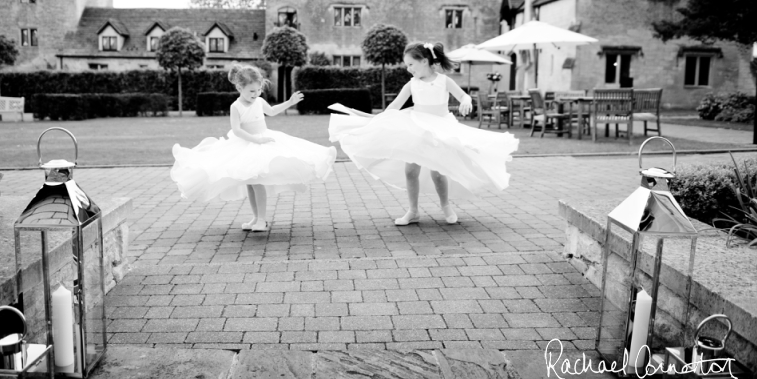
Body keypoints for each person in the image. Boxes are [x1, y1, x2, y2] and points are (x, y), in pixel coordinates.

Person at [329, 42, 519, 226]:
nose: (408, 69)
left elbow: (463, 95)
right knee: (410, 171)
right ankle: (413, 211)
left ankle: (446, 207)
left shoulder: (444, 81)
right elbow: (393, 107)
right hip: (417, 128)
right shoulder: (412, 84)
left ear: (424, 61)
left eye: (411, 64)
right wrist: (373, 118)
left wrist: (466, 101)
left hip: (440, 129)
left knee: (438, 173)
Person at [171, 63, 336, 232]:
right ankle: (256, 217)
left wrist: (289, 102)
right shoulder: (236, 106)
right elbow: (237, 130)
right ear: (239, 87)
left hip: (262, 141)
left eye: (258, 91)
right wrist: (255, 141)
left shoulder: (259, 101)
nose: (255, 94)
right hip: (246, 143)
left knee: (257, 182)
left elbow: (271, 111)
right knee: (250, 183)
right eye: (251, 91)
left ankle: (262, 220)